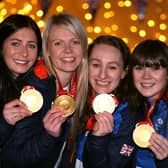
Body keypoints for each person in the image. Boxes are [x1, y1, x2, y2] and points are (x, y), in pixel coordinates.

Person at [0, 14, 56, 167]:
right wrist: (4, 123)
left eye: (31, 45)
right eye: (15, 44)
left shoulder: (37, 87)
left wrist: (51, 134)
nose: (24, 53)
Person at [80, 35, 136, 168]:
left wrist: (98, 139)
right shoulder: (76, 101)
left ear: (123, 72)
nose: (102, 75)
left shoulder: (129, 117)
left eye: (112, 67)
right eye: (96, 65)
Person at [41, 12, 88, 168]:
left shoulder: (85, 90)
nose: (68, 50)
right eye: (58, 43)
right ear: (47, 49)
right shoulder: (34, 91)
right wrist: (49, 137)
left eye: (75, 42)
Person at [128, 39, 168, 168]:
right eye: (139, 68)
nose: (146, 76)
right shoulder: (125, 107)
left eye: (155, 68)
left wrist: (165, 161)